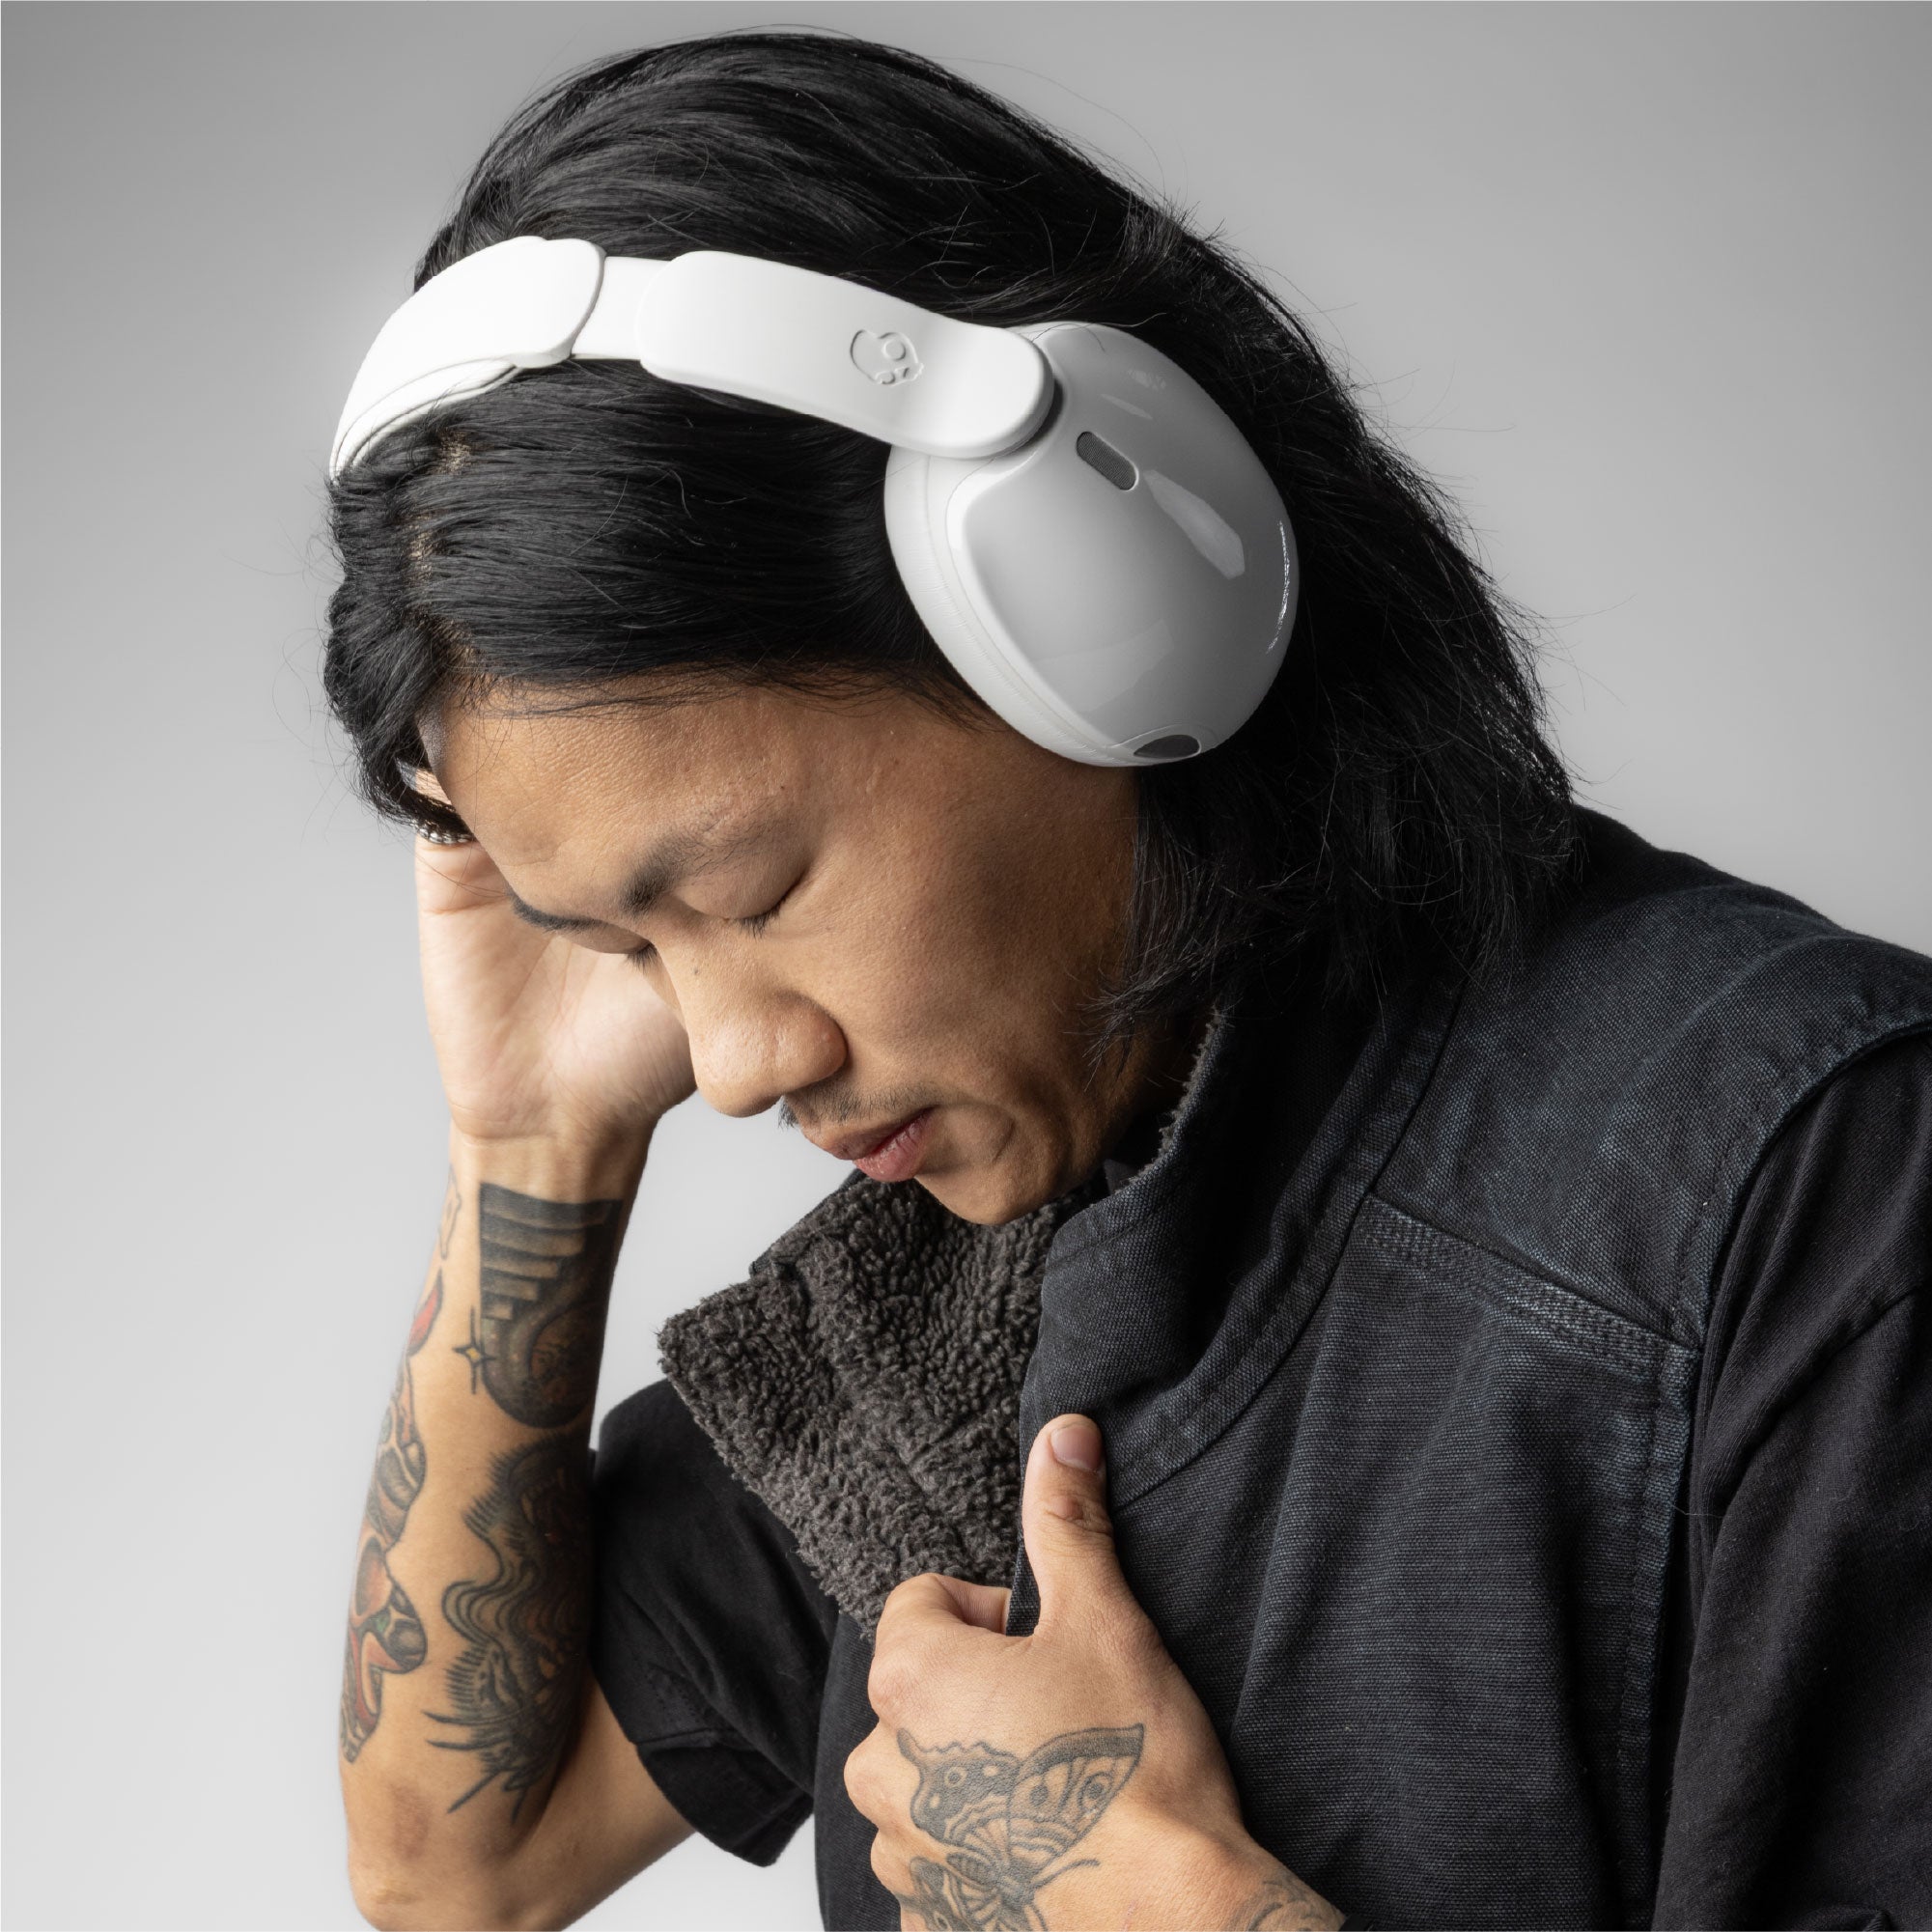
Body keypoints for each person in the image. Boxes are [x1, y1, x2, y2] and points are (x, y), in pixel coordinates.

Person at [323, 30, 1932, 1932]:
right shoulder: (929, 1313)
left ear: (1086, 599)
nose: (731, 1059)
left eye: (748, 888)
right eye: (626, 941)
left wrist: (1184, 1908)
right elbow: (457, 1865)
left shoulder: (1820, 1183)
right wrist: (530, 1143)